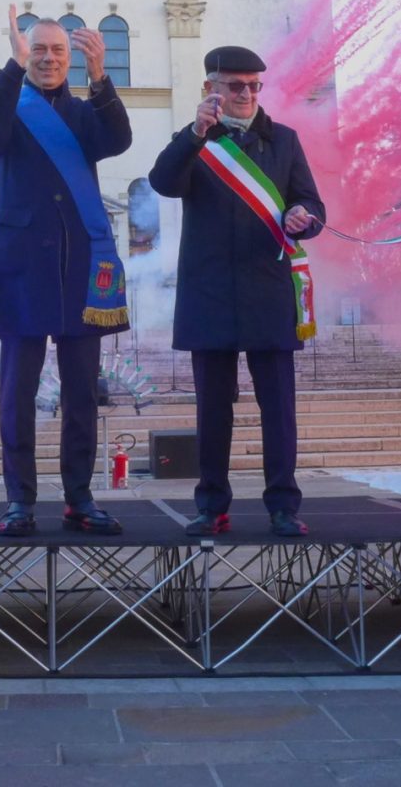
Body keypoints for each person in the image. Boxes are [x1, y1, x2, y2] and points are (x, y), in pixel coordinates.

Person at [148, 46, 324, 537]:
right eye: (235, 85)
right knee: (212, 410)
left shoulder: (284, 140)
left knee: (279, 409)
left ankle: (283, 505)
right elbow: (163, 182)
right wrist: (195, 134)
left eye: (253, 85)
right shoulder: (196, 140)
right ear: (211, 89)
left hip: (268, 290)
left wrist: (303, 217)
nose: (246, 94)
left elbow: (311, 201)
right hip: (210, 293)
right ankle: (212, 506)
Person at [0, 5, 131, 537]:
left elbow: (117, 142)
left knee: (82, 393)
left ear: (70, 59)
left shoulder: (85, 113)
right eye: (38, 50)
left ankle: (79, 497)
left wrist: (102, 76)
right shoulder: (9, 106)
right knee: (17, 393)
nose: (47, 59)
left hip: (79, 269)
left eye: (56, 51)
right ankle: (20, 499)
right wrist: (11, 67)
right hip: (21, 268)